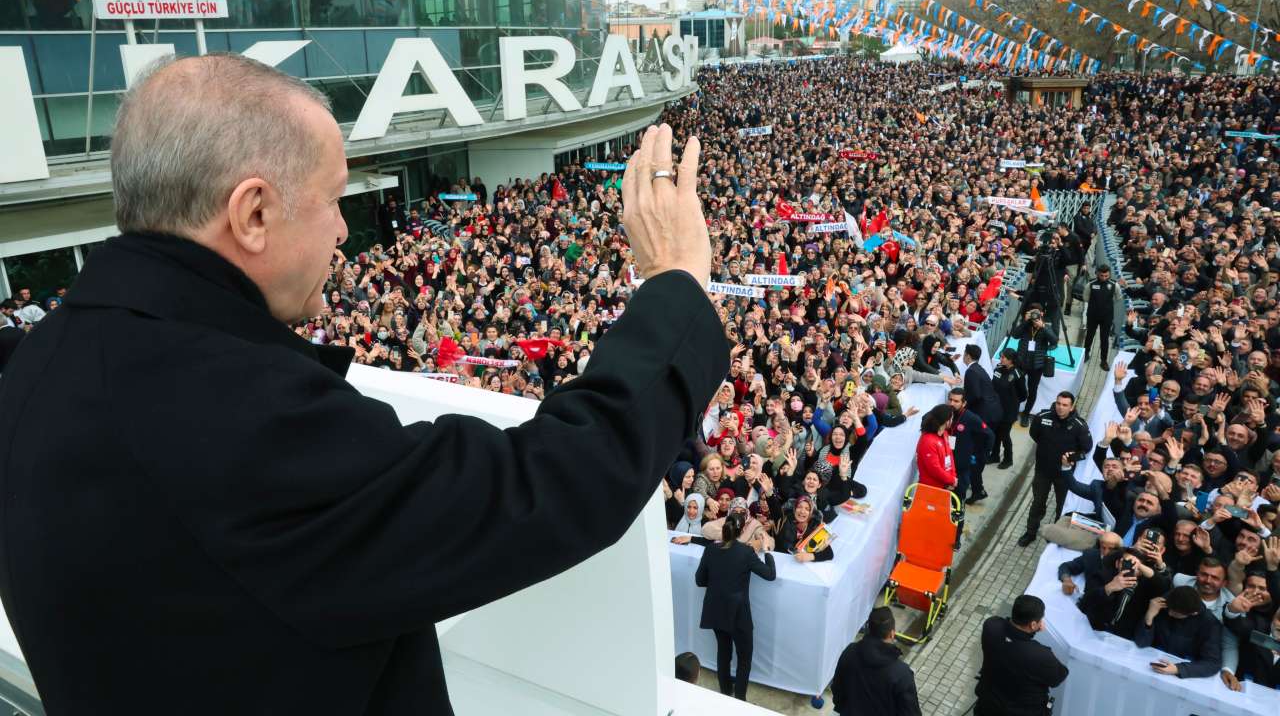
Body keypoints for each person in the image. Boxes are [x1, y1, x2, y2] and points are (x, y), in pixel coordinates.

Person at [0, 55, 726, 714]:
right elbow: (549, 482)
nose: (346, 230)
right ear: (253, 213)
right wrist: (674, 283)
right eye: (332, 199)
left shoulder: (37, 366)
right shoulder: (244, 419)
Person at [694, 512, 777, 700]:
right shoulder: (746, 552)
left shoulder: (711, 550)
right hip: (739, 614)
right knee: (744, 658)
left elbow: (700, 581)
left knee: (723, 653)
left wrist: (718, 582)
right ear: (741, 530)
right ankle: (740, 699)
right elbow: (770, 575)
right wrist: (767, 551)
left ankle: (725, 692)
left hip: (715, 609)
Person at [974, 595, 1068, 716]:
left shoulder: (991, 626)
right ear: (1033, 625)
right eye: (1040, 620)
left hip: (987, 706)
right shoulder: (1041, 655)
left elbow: (1002, 624)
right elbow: (1059, 677)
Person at [1019, 392, 1092, 547]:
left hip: (1064, 475)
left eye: (1065, 405)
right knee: (1038, 503)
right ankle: (1030, 532)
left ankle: (1055, 535)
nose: (1060, 407)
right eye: (1058, 403)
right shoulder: (1042, 417)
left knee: (1061, 507)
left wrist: (1072, 458)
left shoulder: (1079, 426)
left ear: (1072, 407)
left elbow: (1086, 448)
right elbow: (1035, 434)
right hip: (1043, 471)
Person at [831, 606, 922, 716]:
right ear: (892, 633)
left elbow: (837, 689)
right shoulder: (901, 673)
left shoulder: (849, 652)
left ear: (869, 630)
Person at [1135, 585, 1224, 679]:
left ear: (1193, 613)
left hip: (1182, 670)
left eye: (1175, 613)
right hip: (1151, 661)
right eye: (1169, 609)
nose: (1169, 613)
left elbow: (1212, 663)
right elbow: (1141, 642)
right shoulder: (1162, 605)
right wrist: (1149, 617)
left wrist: (1178, 669)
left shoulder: (1210, 624)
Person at [1011, 306, 1058, 428]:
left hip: (1036, 365)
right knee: (1016, 386)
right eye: (1032, 314)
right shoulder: (1026, 325)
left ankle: (1026, 414)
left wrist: (1043, 327)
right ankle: (1014, 410)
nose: (1035, 318)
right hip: (1021, 362)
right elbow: (1014, 335)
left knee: (1032, 390)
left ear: (1041, 314)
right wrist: (1025, 321)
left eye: (1037, 314)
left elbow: (1054, 341)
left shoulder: (1045, 327)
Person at [947, 387, 994, 505]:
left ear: (964, 403)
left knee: (958, 496)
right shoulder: (947, 413)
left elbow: (990, 435)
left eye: (956, 401)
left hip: (962, 464)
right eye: (950, 400)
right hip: (949, 461)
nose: (952, 403)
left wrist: (981, 455)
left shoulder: (971, 418)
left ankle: (958, 518)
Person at [989, 348, 1026, 470]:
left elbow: (1023, 395)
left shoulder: (1017, 375)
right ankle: (994, 455)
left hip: (1008, 412)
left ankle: (1008, 459)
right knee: (995, 433)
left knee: (1004, 435)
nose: (1001, 359)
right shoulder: (998, 369)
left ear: (1011, 360)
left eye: (1003, 357)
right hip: (996, 409)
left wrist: (1012, 402)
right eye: (1001, 357)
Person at [1082, 264, 1118, 371]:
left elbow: (1118, 297)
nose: (1104, 278)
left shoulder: (1114, 285)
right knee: (1089, 335)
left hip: (1107, 316)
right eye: (1102, 275)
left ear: (1109, 274)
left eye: (1106, 276)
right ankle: (1085, 354)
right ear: (1097, 273)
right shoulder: (1091, 284)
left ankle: (1104, 360)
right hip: (1093, 314)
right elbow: (1085, 297)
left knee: (1104, 338)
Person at [915, 404, 957, 491]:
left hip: (945, 485)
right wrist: (951, 480)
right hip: (931, 488)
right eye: (951, 418)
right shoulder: (928, 441)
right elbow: (934, 469)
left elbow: (950, 456)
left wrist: (952, 477)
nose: (952, 420)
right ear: (946, 421)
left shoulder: (945, 433)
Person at [961, 343, 1002, 427]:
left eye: (964, 354)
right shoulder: (979, 368)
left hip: (984, 414)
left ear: (968, 356)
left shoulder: (971, 371)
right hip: (993, 411)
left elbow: (975, 395)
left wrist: (963, 404)